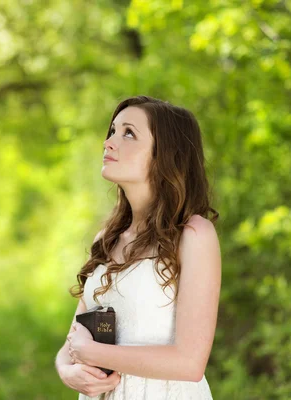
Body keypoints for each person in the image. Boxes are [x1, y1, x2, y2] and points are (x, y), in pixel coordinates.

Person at [54, 95, 221, 399]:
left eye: (128, 133)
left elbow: (190, 362)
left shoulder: (194, 235)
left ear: (165, 155)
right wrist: (68, 371)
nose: (109, 142)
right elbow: (73, 342)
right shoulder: (107, 238)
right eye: (113, 131)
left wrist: (93, 353)